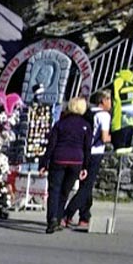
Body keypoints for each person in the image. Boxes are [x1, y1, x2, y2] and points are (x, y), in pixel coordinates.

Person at [42, 97, 92, 234]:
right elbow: (87, 148)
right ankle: (58, 218)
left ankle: (52, 219)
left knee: (54, 190)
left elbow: (51, 144)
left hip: (59, 158)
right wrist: (85, 167)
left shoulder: (60, 124)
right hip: (76, 161)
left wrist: (44, 162)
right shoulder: (86, 125)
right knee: (65, 192)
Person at [64, 90, 110, 231]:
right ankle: (67, 213)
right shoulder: (103, 115)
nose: (111, 103)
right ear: (102, 101)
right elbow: (104, 138)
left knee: (85, 184)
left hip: (83, 152)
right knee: (87, 187)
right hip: (95, 153)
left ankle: (85, 216)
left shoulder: (87, 113)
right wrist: (112, 139)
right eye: (109, 100)